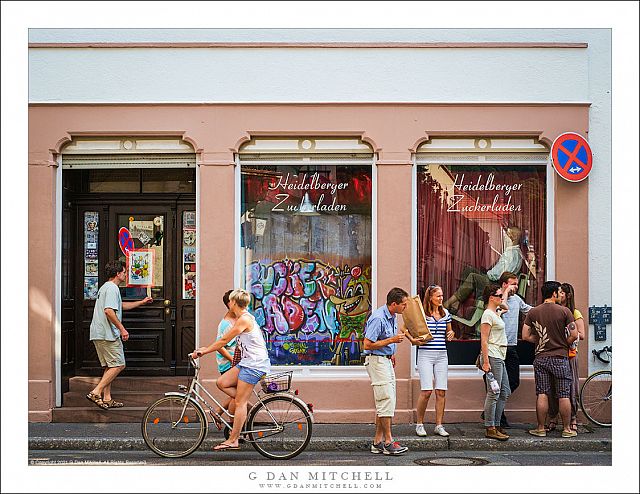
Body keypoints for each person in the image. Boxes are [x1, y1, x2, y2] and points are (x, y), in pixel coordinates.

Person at [192, 288, 270, 451]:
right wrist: (206, 348)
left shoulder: (243, 320)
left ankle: (233, 439)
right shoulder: (244, 317)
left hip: (254, 365)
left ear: (233, 303)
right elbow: (222, 341)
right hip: (247, 362)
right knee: (222, 382)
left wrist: (204, 351)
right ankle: (245, 402)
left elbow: (224, 340)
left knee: (240, 402)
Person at [86, 260, 152, 409]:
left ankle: (107, 398)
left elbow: (119, 306)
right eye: (124, 272)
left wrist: (141, 302)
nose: (126, 274)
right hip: (107, 334)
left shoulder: (106, 288)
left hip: (99, 333)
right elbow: (109, 311)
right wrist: (122, 329)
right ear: (118, 273)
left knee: (110, 366)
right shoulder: (112, 288)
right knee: (119, 364)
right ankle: (96, 392)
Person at [522, 281, 578, 438]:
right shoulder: (565, 311)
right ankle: (567, 429)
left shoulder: (533, 312)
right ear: (554, 294)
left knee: (542, 393)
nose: (560, 295)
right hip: (560, 357)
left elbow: (525, 335)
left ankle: (540, 428)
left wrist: (540, 341)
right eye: (559, 292)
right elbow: (574, 334)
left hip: (541, 358)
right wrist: (563, 343)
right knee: (563, 394)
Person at [404, 285, 455, 437]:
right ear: (430, 297)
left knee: (441, 391)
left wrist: (451, 333)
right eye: (438, 296)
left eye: (442, 295)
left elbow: (449, 331)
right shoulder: (422, 314)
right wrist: (413, 340)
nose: (441, 299)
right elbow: (404, 328)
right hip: (425, 354)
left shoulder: (446, 313)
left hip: (442, 355)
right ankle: (419, 423)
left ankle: (439, 425)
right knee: (426, 391)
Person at [363, 287, 409, 456]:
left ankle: (377, 442)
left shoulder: (392, 316)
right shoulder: (378, 318)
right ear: (394, 304)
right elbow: (367, 345)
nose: (406, 307)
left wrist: (392, 352)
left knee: (385, 401)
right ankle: (389, 441)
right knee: (386, 399)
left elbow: (386, 341)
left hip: (385, 360)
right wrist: (392, 340)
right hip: (376, 361)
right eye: (403, 304)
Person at [444, 226, 523, 314]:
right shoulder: (513, 252)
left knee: (473, 277)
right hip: (495, 280)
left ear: (514, 237)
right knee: (468, 270)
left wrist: (488, 273)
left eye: (507, 235)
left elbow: (498, 275)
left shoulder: (511, 253)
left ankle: (449, 302)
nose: (504, 237)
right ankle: (457, 301)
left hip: (495, 284)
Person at [546, 282, 585, 433]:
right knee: (553, 387)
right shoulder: (554, 311)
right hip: (556, 354)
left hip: (570, 355)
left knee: (571, 387)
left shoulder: (574, 312)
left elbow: (581, 335)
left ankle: (572, 418)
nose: (558, 294)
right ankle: (553, 417)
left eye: (561, 292)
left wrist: (567, 334)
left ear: (567, 295)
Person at [495, 271, 532, 427]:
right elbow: (495, 311)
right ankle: (498, 417)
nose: (516, 287)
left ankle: (493, 411)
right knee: (496, 384)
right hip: (497, 347)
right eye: (513, 283)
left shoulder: (517, 300)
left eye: (516, 284)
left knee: (513, 381)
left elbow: (529, 310)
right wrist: (504, 293)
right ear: (504, 284)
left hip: (511, 347)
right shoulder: (495, 298)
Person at [479, 283, 511, 440]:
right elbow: (484, 339)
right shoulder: (487, 315)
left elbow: (506, 307)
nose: (502, 298)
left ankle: (496, 424)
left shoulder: (495, 312)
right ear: (491, 298)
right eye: (498, 296)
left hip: (500, 354)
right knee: (494, 392)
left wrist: (503, 292)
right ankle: (490, 427)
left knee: (504, 391)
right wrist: (486, 361)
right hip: (493, 355)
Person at [209, 289, 238, 430]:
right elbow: (220, 346)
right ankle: (234, 427)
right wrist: (233, 359)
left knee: (238, 394)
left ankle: (218, 412)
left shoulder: (237, 319)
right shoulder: (225, 324)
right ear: (230, 304)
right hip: (228, 364)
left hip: (236, 362)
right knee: (237, 396)